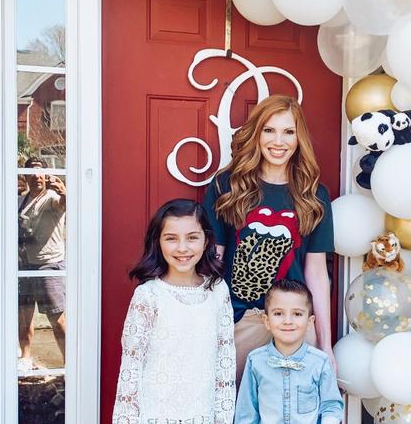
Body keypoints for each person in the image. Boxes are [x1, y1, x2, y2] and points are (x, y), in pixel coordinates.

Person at [202, 94, 336, 384]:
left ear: (299, 138)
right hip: (241, 319)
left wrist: (324, 343)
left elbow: (316, 272)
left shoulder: (314, 196)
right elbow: (214, 260)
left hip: (295, 323)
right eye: (269, 130)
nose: (279, 141)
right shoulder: (227, 185)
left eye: (289, 132)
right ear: (257, 133)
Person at [112, 199, 236, 424]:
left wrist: (223, 418)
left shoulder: (218, 290)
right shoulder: (148, 295)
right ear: (157, 242)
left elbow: (225, 362)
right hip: (156, 414)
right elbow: (131, 368)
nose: (182, 248)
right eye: (171, 238)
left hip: (203, 414)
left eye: (192, 237)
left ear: (206, 240)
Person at [235, 279, 343, 424]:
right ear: (267, 321)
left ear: (310, 322)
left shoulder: (320, 362)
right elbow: (246, 412)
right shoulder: (255, 361)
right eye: (278, 313)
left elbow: (331, 406)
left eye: (297, 314)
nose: (287, 321)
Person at [18, 156, 67, 372]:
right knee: (25, 316)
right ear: (25, 176)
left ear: (45, 175)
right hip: (25, 265)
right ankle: (25, 358)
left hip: (49, 265)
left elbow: (63, 204)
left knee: (57, 319)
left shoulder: (51, 197)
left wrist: (64, 192)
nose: (37, 176)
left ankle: (69, 364)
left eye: (40, 172)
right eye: (32, 172)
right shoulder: (21, 200)